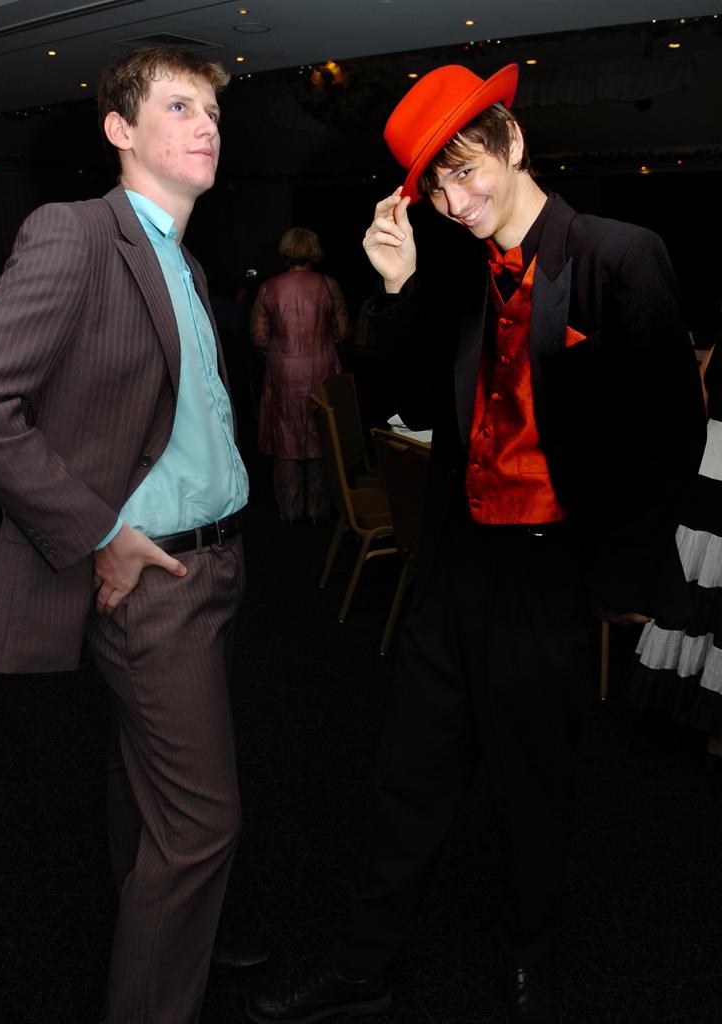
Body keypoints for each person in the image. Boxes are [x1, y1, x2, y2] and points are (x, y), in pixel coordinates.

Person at [246, 63, 706, 1024]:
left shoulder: (621, 254)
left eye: (467, 173)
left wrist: (618, 572)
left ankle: (534, 964)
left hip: (551, 576)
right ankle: (360, 970)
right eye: (437, 186)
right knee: (406, 775)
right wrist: (398, 290)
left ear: (512, 144)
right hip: (455, 571)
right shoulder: (453, 270)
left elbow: (670, 431)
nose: (455, 202)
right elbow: (411, 399)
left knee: (533, 790)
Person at [0, 46, 263, 1024]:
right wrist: (100, 534)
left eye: (212, 107)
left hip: (214, 562)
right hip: (153, 579)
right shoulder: (77, 234)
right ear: (119, 130)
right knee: (205, 822)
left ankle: (159, 950)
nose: (207, 123)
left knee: (147, 797)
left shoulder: (184, 253)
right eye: (179, 105)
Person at [627, 343, 722, 767]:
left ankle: (679, 705)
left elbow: (700, 391)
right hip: (710, 470)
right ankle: (713, 728)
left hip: (709, 463)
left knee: (699, 586)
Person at [252, 227, 350, 521]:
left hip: (283, 370)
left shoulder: (269, 287)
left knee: (286, 439)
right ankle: (319, 512)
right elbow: (343, 332)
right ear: (313, 251)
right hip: (322, 367)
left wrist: (283, 350)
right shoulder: (328, 284)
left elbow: (258, 336)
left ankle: (290, 512)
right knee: (321, 436)